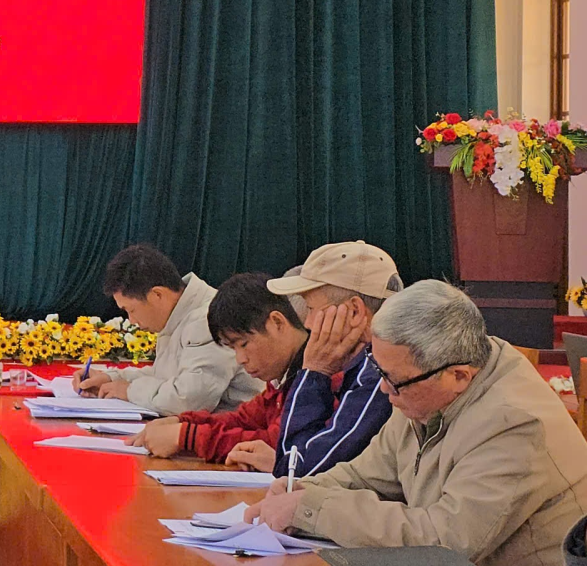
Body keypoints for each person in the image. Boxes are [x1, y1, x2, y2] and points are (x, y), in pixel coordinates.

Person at [247, 280, 587, 565]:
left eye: (393, 379)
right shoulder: (423, 388)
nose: (384, 389)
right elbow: (365, 474)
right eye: (379, 371)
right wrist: (302, 491)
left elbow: (447, 542)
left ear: (458, 376)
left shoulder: (515, 423)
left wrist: (313, 511)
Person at [239, 240, 401, 475]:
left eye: (311, 309)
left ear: (354, 311)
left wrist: (315, 370)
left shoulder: (380, 371)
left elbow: (299, 469)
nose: (307, 323)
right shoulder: (367, 364)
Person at [127, 273, 309, 466]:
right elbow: (243, 420)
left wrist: (188, 436)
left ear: (277, 322)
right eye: (233, 349)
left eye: (244, 344)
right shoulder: (284, 376)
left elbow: (277, 443)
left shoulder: (317, 376)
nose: (240, 359)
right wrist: (182, 422)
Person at [77, 244, 261, 414]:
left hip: (237, 431)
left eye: (131, 310)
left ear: (157, 294)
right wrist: (111, 378)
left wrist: (129, 390)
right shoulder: (178, 314)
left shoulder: (206, 319)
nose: (131, 321)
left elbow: (189, 401)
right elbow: (166, 376)